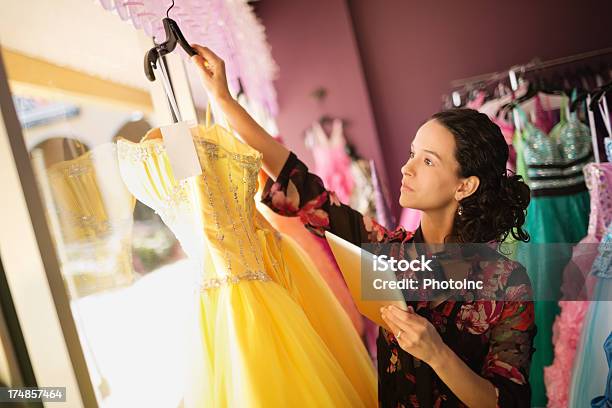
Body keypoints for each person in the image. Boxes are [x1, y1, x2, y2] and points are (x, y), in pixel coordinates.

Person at [190, 45, 536, 408]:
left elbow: (508, 402)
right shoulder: (383, 252)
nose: (407, 168)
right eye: (412, 153)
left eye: (428, 161)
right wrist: (222, 99)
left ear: (465, 185)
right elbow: (303, 188)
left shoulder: (507, 285)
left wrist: (438, 355)